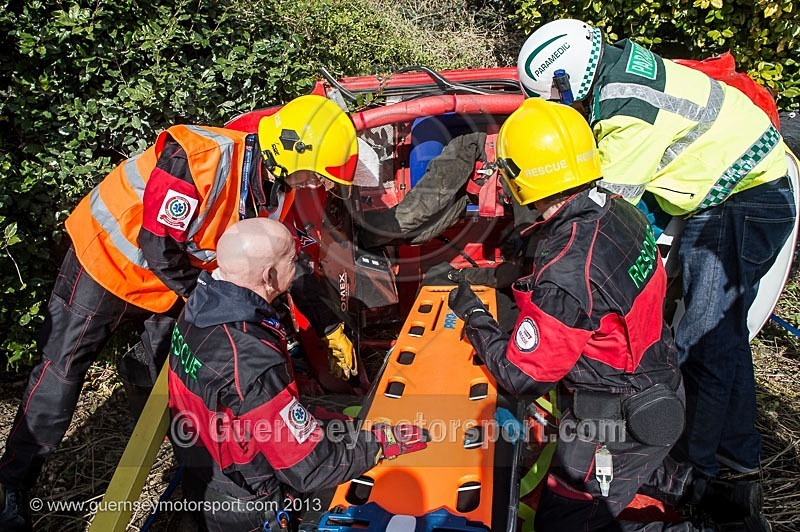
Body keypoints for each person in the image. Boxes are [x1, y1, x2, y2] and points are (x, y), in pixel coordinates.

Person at [0, 94, 361, 531]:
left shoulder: (276, 190)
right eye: (313, 175)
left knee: (169, 368)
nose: (314, 186)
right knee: (61, 371)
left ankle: (165, 445)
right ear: (288, 152)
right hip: (109, 261)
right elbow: (156, 245)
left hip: (172, 279)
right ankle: (11, 484)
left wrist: (329, 325)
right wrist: (205, 297)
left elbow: (286, 262)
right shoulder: (200, 158)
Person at [448, 99, 768, 531]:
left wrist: (473, 314)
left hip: (615, 416)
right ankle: (728, 499)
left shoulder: (567, 271)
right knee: (637, 466)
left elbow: (523, 377)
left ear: (518, 177)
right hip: (657, 384)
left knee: (566, 524)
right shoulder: (619, 210)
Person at [517, 19, 796, 489]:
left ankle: (691, 472)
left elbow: (605, 216)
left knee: (701, 342)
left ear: (566, 81)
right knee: (722, 337)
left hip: (745, 197)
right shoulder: (618, 66)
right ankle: (737, 458)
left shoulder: (626, 113)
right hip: (739, 187)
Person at [167, 218, 426, 530]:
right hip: (248, 503)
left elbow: (229, 394)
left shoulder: (201, 306)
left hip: (205, 471)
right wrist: (381, 443)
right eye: (292, 260)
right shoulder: (251, 356)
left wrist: (292, 401)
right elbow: (310, 467)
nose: (299, 265)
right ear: (269, 275)